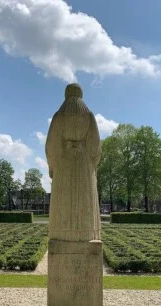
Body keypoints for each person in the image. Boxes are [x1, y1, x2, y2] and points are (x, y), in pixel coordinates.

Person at [45, 83, 101, 242]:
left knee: (63, 201)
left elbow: (51, 146)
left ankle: (62, 234)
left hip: (63, 164)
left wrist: (52, 166)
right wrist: (92, 166)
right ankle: (86, 234)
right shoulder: (89, 116)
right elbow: (96, 147)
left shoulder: (58, 116)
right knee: (85, 202)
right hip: (85, 164)